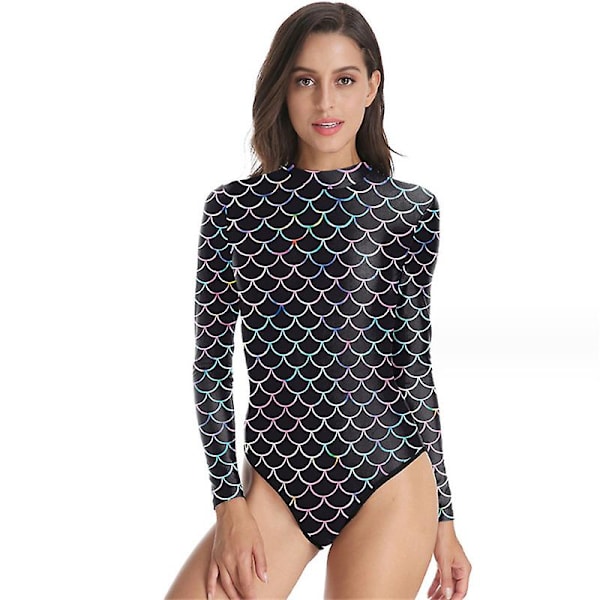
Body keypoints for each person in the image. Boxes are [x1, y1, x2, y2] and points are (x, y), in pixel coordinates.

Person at [165, 2, 472, 599]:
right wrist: (229, 505)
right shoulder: (233, 211)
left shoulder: (411, 211)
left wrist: (445, 517)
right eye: (306, 81)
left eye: (345, 80)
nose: (326, 102)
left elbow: (413, 362)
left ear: (372, 87)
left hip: (389, 473)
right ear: (283, 88)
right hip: (276, 482)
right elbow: (211, 364)